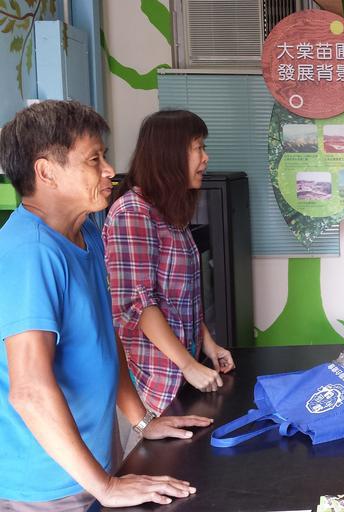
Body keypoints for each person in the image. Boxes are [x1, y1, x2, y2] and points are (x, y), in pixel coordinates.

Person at [0, 100, 211, 509]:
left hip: (94, 464)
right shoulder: (30, 253)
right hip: (49, 483)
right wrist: (107, 487)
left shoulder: (87, 233)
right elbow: (29, 391)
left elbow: (104, 336)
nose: (110, 170)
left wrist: (142, 421)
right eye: (94, 160)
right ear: (46, 172)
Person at [103, 110, 235, 417]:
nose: (206, 158)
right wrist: (188, 365)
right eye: (198, 147)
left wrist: (208, 345)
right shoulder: (132, 213)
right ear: (169, 154)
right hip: (155, 384)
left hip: (181, 375)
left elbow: (181, 298)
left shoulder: (168, 213)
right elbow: (139, 304)